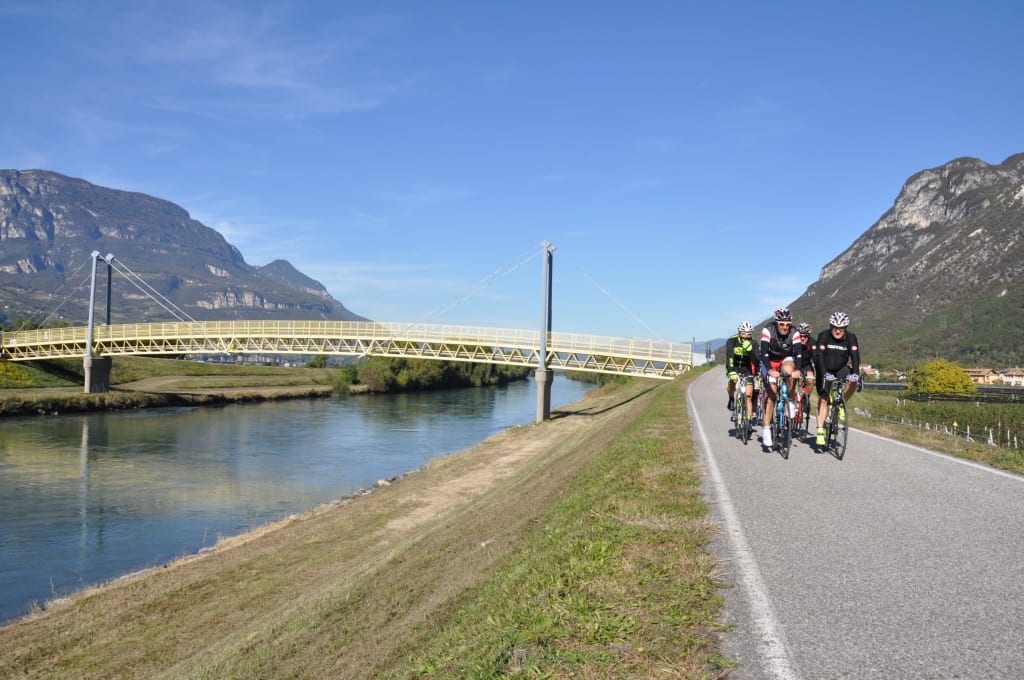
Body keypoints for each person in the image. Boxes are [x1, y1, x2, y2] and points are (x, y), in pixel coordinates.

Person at [813, 311, 861, 447]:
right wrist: (824, 374)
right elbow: (819, 356)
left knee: (853, 380)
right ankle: (821, 430)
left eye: (841, 328)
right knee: (823, 399)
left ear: (845, 328)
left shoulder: (851, 338)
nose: (838, 331)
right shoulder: (824, 335)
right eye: (835, 328)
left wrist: (856, 373)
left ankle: (841, 402)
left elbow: (855, 357)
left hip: (841, 368)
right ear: (831, 326)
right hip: (825, 368)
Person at [759, 308, 803, 448]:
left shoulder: (794, 332)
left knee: (790, 372)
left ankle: (789, 399)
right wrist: (770, 370)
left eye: (787, 324)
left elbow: (799, 354)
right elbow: (764, 353)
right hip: (769, 360)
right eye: (782, 324)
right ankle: (766, 429)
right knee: (771, 394)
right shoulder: (768, 330)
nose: (785, 327)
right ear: (777, 323)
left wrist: (798, 370)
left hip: (785, 358)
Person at [725, 321, 758, 419]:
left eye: (749, 334)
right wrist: (731, 371)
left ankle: (748, 421)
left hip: (746, 369)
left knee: (748, 395)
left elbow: (756, 360)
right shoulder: (732, 341)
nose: (746, 336)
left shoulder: (754, 342)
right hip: (734, 366)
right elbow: (729, 357)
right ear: (739, 333)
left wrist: (751, 350)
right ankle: (731, 398)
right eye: (743, 333)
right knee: (733, 381)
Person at [797, 322, 816, 411]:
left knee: (811, 379)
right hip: (795, 363)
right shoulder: (794, 342)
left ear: (809, 336)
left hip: (806, 364)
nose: (802, 338)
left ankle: (806, 398)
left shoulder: (812, 343)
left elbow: (816, 358)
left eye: (805, 336)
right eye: (800, 336)